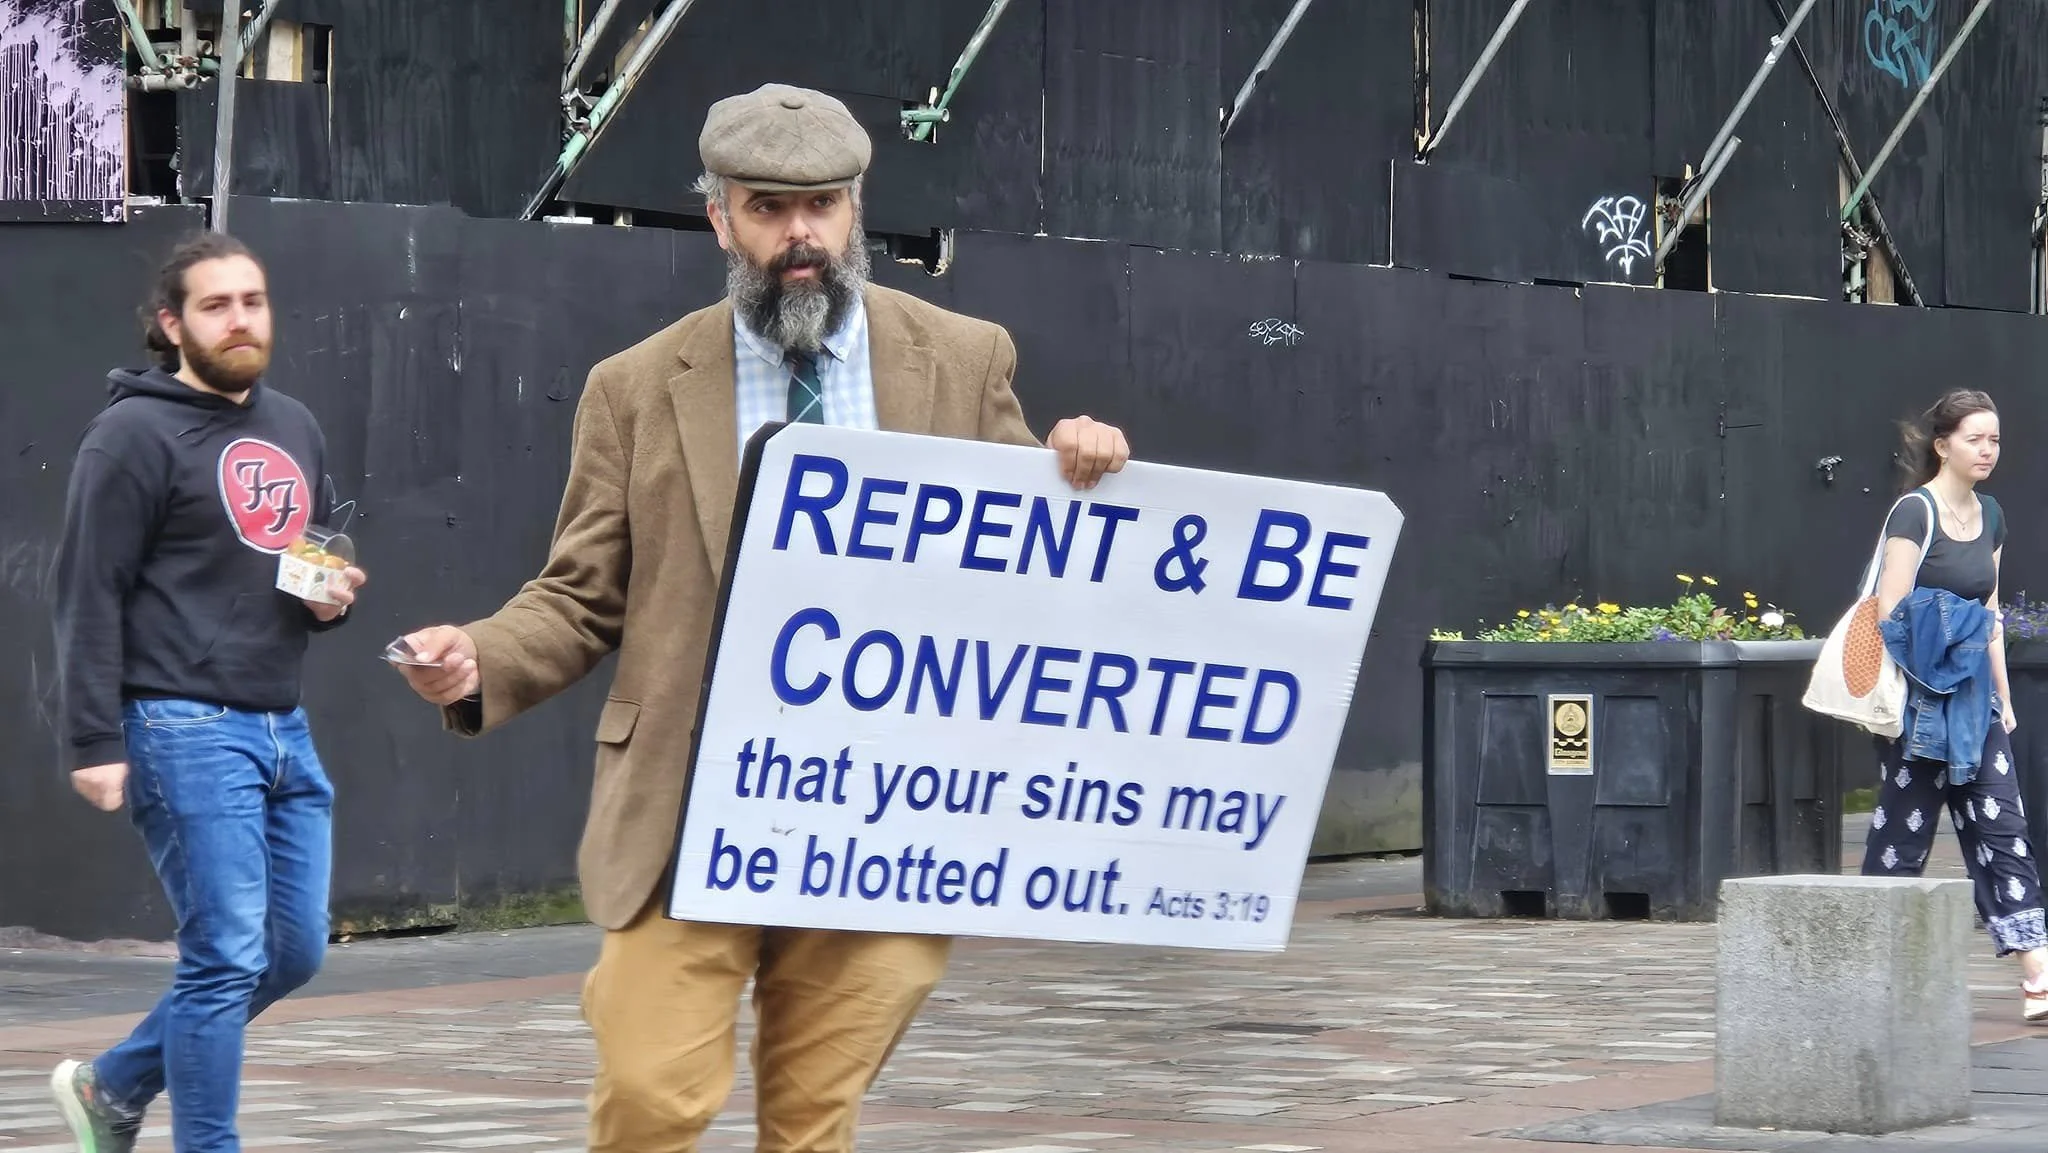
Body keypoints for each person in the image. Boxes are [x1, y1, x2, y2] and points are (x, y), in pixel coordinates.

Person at [392, 82, 1130, 1151]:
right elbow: (579, 593)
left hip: (881, 814)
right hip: (686, 814)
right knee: (651, 1095)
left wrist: (1082, 468)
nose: (800, 236)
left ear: (855, 210)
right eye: (769, 208)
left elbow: (1028, 561)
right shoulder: (635, 387)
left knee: (809, 1124)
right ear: (719, 217)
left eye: (821, 206)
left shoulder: (963, 360)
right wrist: (478, 659)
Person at [46, 232, 366, 1152]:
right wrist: (92, 740)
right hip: (179, 723)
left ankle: (113, 1085)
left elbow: (300, 559)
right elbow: (84, 589)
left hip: (282, 725)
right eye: (216, 305)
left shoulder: (293, 424)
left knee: (291, 951)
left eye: (253, 301)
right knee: (225, 953)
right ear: (170, 323)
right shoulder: (130, 436)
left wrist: (332, 595)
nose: (240, 320)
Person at [1860, 388, 2047, 1023]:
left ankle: (2037, 974)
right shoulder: (1914, 512)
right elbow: (1890, 608)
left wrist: (2003, 694)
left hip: (1974, 698)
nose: (1988, 450)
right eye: (1975, 438)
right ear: (1943, 445)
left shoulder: (1991, 515)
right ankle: (1869, 964)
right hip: (1921, 698)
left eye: (1994, 439)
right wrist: (1924, 686)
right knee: (1902, 833)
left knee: (2003, 827)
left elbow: (1989, 611)